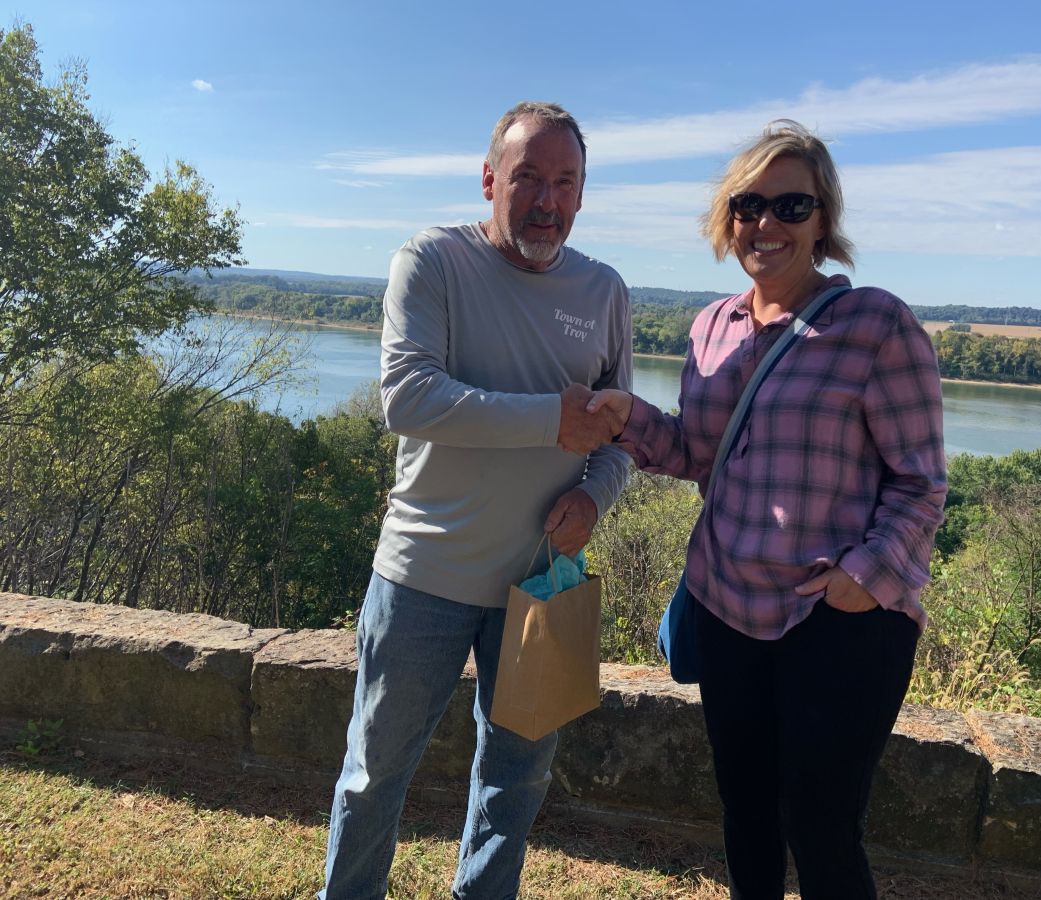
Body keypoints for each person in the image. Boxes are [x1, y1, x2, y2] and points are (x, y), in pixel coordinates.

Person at [588, 120, 946, 900]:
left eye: (792, 205)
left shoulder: (875, 325)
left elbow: (921, 484)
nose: (766, 224)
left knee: (821, 828)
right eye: (750, 204)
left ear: (824, 221)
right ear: (728, 216)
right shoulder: (710, 327)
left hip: (838, 621)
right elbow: (697, 455)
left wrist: (864, 575)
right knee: (745, 814)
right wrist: (624, 416)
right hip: (726, 608)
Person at [320, 101, 631, 900]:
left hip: (540, 588)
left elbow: (616, 435)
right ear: (490, 178)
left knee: (517, 783)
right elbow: (409, 397)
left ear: (583, 196)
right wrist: (548, 421)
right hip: (423, 574)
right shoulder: (431, 261)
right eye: (528, 176)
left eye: (565, 182)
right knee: (373, 772)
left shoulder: (604, 291)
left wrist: (595, 499)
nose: (546, 200)